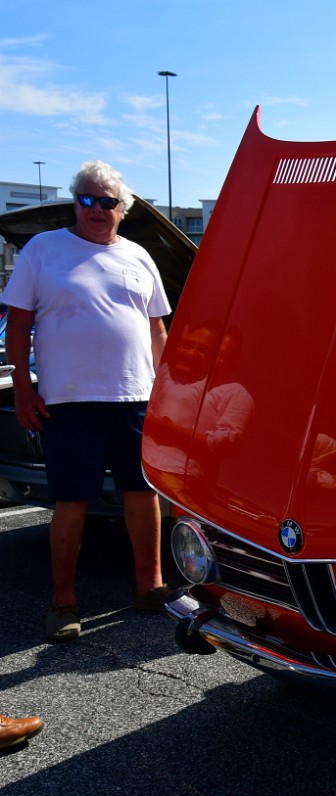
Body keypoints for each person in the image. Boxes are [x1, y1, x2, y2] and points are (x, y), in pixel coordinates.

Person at [1, 161, 171, 642]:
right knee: (71, 501)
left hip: (135, 397)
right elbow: (17, 323)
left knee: (143, 495)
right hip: (69, 402)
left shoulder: (139, 256)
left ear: (124, 208)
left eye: (107, 201)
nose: (97, 209)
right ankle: (63, 602)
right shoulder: (44, 249)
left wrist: (166, 389)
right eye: (87, 200)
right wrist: (23, 385)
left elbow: (157, 329)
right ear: (76, 203)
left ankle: (150, 587)